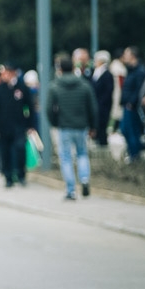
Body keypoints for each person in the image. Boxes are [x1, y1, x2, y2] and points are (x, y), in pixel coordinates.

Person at [47, 55, 97, 200]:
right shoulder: (84, 85)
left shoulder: (55, 86)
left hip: (65, 126)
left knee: (66, 158)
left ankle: (71, 190)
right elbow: (92, 108)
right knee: (82, 153)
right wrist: (93, 125)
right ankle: (85, 179)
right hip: (81, 126)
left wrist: (55, 122)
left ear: (60, 69)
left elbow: (49, 108)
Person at [0, 62, 36, 188]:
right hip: (3, 126)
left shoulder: (21, 87)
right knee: (5, 152)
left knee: (20, 149)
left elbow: (29, 106)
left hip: (19, 125)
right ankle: (8, 177)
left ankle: (21, 174)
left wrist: (31, 125)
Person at [119, 46, 145, 161]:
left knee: (132, 131)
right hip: (127, 105)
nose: (124, 57)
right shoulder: (131, 70)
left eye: (126, 54)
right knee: (124, 129)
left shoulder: (139, 71)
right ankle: (132, 153)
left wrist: (132, 102)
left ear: (132, 56)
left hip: (132, 106)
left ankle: (135, 155)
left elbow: (139, 89)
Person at [89, 50, 114, 146]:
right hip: (97, 104)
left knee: (102, 126)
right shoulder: (95, 72)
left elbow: (108, 91)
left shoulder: (107, 74)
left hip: (103, 106)